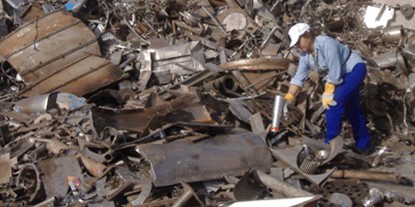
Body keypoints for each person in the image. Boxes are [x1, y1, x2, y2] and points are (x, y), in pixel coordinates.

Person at [284, 23, 371, 152]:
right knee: (352, 108)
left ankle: (331, 144)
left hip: (354, 69)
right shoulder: (305, 55)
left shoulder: (326, 43)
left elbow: (334, 68)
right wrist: (288, 98)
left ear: (308, 35)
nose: (298, 46)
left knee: (333, 103)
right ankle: (364, 146)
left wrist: (329, 91)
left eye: (298, 41)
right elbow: (298, 78)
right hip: (339, 76)